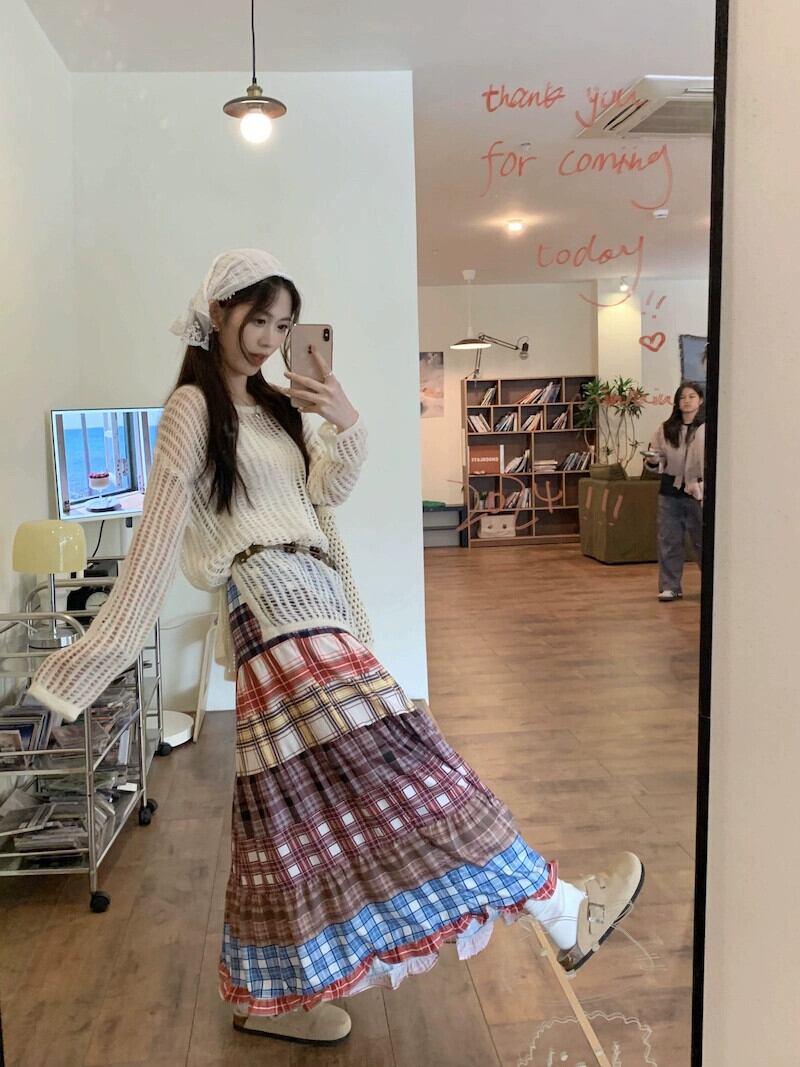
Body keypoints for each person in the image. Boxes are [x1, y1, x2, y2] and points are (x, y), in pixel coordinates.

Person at [28, 250, 645, 1046]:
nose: (268, 338)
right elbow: (154, 540)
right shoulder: (191, 407)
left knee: (285, 814)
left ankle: (269, 997)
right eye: (257, 319)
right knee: (412, 766)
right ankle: (562, 909)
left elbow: (325, 492)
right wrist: (83, 666)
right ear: (216, 312)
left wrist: (343, 418)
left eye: (283, 324)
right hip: (271, 604)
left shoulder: (277, 405)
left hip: (311, 603)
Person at [644, 381, 706, 602]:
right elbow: (656, 458)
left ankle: (712, 585)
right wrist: (653, 460)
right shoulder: (665, 429)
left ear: (700, 400)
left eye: (691, 396)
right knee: (669, 540)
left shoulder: (706, 428)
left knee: (702, 540)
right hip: (670, 490)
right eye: (682, 397)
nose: (687, 401)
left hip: (698, 490)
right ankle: (670, 586)